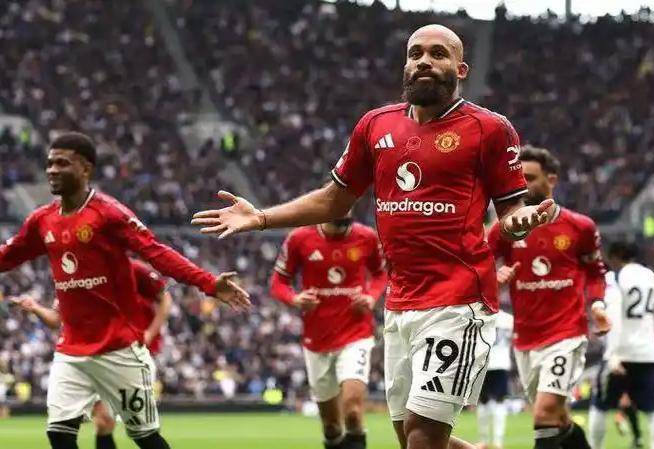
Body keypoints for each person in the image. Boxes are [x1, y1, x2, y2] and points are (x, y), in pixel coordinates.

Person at [192, 23, 552, 449]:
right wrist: (261, 217)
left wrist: (519, 222)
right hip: (400, 304)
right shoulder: (375, 125)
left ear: (461, 69)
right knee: (407, 434)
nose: (424, 61)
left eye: (438, 54)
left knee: (423, 436)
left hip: (460, 302)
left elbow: (510, 211)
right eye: (415, 53)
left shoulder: (489, 128)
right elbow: (334, 199)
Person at [0, 132, 250, 449]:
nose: (52, 170)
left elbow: (156, 252)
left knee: (145, 438)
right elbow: (7, 257)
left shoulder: (108, 213)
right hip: (71, 350)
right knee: (58, 434)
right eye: (50, 163)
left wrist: (208, 283)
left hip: (119, 349)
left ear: (85, 169)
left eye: (62, 163)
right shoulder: (42, 220)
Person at [486, 146, 610, 449]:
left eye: (529, 177)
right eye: (518, 178)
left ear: (551, 180)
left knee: (543, 413)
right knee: (559, 418)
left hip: (566, 335)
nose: (522, 184)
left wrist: (597, 304)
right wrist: (493, 279)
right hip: (526, 339)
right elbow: (478, 266)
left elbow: (595, 273)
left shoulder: (580, 227)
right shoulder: (505, 229)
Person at [10, 259, 173, 449]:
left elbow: (165, 298)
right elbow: (56, 319)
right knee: (100, 422)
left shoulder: (131, 267)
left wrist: (150, 334)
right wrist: (35, 308)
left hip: (124, 355)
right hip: (83, 357)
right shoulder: (70, 274)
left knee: (144, 434)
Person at [269, 216, 388, 449]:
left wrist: (371, 297)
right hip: (317, 341)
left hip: (356, 334)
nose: (346, 209)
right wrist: (295, 299)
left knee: (353, 411)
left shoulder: (366, 237)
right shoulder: (299, 238)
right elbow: (278, 282)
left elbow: (381, 273)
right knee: (331, 426)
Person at [588, 241, 654, 449]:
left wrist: (613, 353)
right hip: (648, 352)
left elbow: (613, 315)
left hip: (621, 352)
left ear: (614, 257)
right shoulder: (652, 277)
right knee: (653, 409)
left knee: (599, 406)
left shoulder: (614, 277)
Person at [475, 309, 513, 449]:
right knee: (499, 401)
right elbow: (514, 339)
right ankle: (497, 442)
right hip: (501, 363)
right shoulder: (508, 318)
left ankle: (484, 440)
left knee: (483, 402)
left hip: (484, 363)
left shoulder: (480, 315)